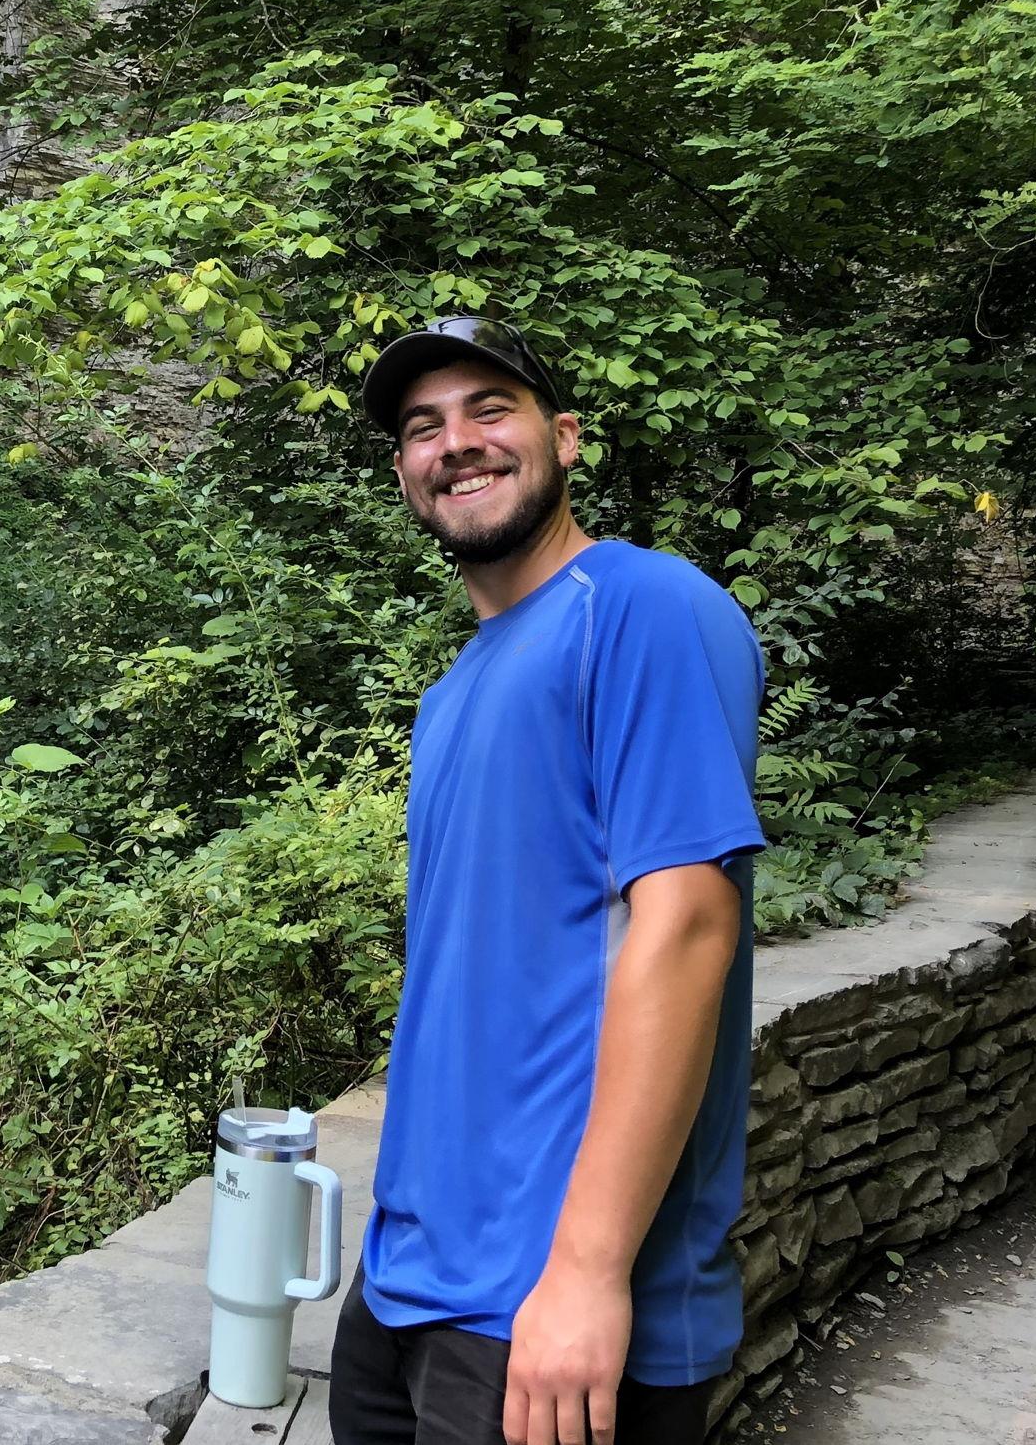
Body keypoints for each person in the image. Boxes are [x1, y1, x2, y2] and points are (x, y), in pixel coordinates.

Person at [330, 317, 767, 1445]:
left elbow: (684, 928)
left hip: (546, 1305)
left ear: (562, 437)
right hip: (407, 1279)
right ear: (402, 475)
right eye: (422, 427)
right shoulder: (451, 694)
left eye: (489, 409)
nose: (455, 442)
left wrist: (584, 1271)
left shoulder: (640, 606)